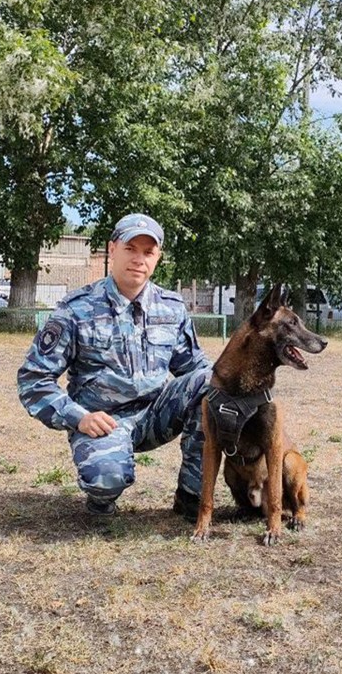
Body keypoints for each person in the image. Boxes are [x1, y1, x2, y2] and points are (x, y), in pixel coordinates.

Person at [17, 213, 211, 519]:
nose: (139, 259)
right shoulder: (77, 309)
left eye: (148, 252)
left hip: (156, 415)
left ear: (158, 258)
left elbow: (195, 370)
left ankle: (192, 495)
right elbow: (33, 380)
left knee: (211, 384)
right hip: (102, 421)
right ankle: (101, 500)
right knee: (105, 477)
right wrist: (78, 418)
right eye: (130, 248)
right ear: (112, 249)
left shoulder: (171, 308)